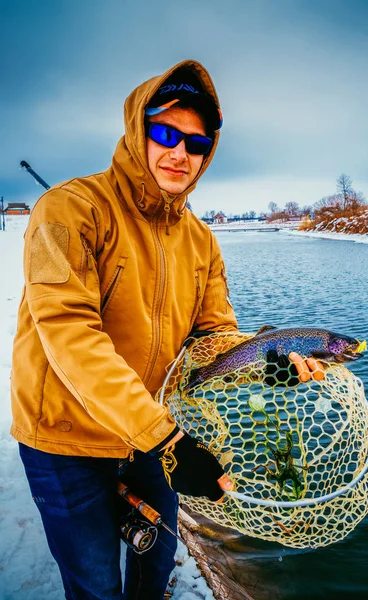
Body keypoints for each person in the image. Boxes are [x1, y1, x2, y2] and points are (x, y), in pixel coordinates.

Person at [10, 59, 323, 600]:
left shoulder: (201, 241)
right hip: (65, 439)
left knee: (153, 572)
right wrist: (169, 441)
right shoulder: (68, 210)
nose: (180, 153)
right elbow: (69, 334)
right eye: (165, 133)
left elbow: (211, 342)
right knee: (96, 584)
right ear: (138, 130)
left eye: (197, 144)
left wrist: (264, 365)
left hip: (151, 436)